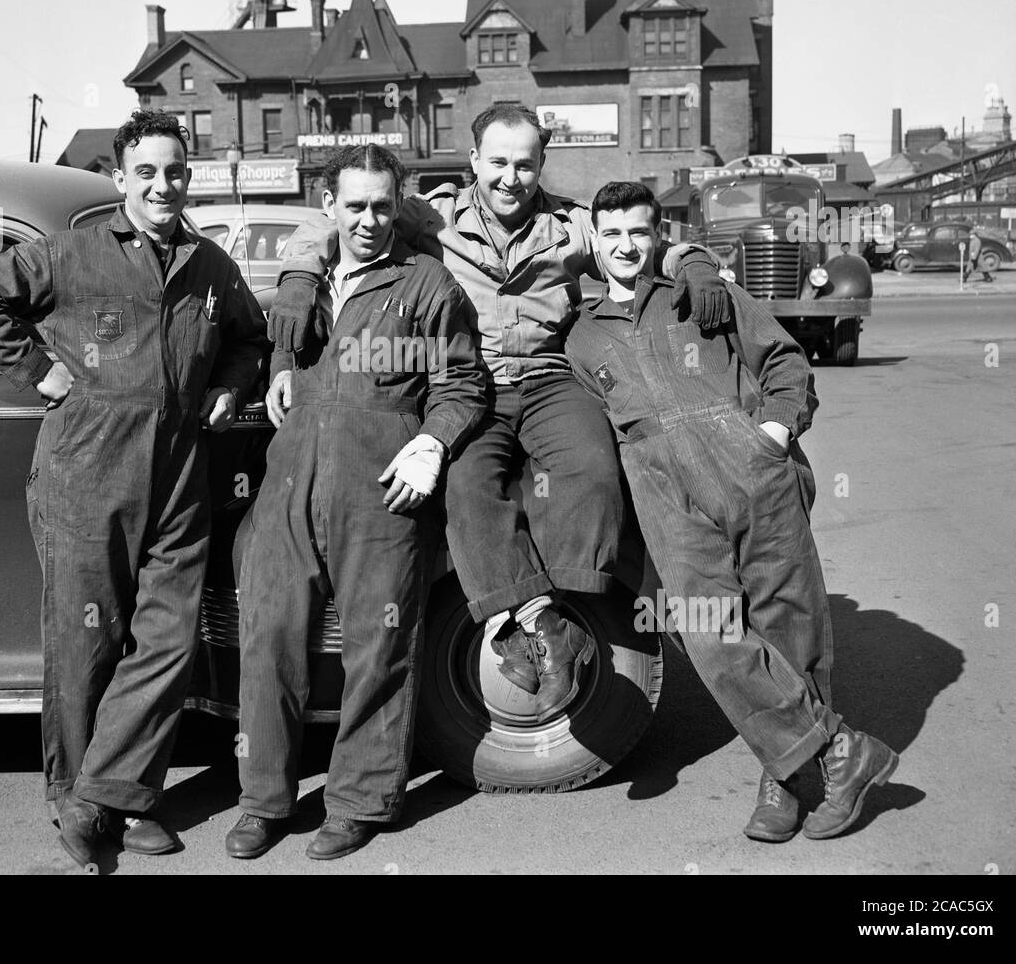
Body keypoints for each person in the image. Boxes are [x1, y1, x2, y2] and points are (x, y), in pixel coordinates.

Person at [270, 104, 730, 717]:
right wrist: (299, 279)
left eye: (524, 165)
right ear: (473, 162)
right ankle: (524, 622)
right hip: (472, 383)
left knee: (592, 471)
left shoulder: (570, 226)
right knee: (466, 487)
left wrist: (695, 265)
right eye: (497, 163)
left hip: (548, 378)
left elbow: (645, 243)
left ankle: (565, 615)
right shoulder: (429, 214)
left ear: (541, 165)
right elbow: (341, 214)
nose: (510, 177)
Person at [0, 109, 269, 867]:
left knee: (166, 639)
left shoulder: (209, 263)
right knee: (87, 641)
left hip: (181, 474)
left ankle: (112, 795)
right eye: (147, 172)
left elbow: (249, 335)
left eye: (176, 171)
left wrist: (230, 381)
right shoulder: (71, 253)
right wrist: (42, 371)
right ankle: (74, 801)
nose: (163, 185)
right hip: (88, 471)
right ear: (122, 177)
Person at [565, 180, 899, 841]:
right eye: (613, 235)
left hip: (750, 469)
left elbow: (784, 361)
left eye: (638, 231)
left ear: (657, 235)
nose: (626, 245)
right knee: (708, 634)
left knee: (788, 625)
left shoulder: (700, 294)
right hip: (666, 493)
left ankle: (786, 778)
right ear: (596, 243)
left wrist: (771, 435)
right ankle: (840, 751)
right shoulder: (582, 339)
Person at [227, 144, 486, 861]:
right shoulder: (305, 284)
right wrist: (281, 365)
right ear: (328, 207)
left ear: (397, 206)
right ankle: (264, 800)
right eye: (355, 205)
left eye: (382, 205)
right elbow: (276, 349)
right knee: (268, 633)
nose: (369, 220)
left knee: (379, 645)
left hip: (381, 488)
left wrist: (431, 443)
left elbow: (463, 384)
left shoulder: (427, 284)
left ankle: (358, 801)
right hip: (291, 478)